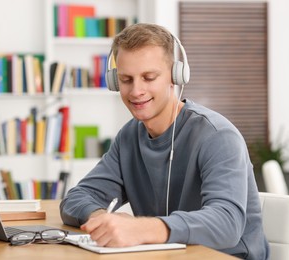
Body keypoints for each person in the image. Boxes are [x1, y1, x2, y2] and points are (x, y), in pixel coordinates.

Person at [60, 23, 269, 259]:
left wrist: (142, 229)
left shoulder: (217, 136)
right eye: (126, 79)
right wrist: (102, 219)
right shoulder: (129, 137)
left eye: (149, 77)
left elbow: (227, 223)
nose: (136, 90)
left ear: (175, 76)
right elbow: (76, 199)